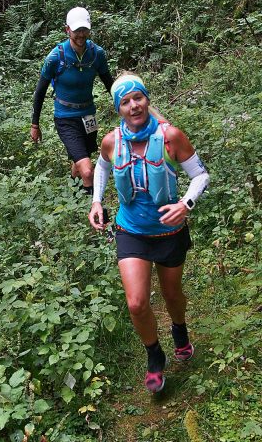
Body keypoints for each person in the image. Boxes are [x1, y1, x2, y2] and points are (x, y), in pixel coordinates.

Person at [88, 74, 210, 393]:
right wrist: (97, 201)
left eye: (138, 98)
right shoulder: (112, 141)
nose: (133, 106)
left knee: (172, 296)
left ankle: (180, 331)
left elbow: (200, 175)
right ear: (118, 108)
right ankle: (155, 357)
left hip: (169, 233)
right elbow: (101, 167)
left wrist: (186, 203)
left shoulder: (171, 137)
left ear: (147, 100)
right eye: (125, 102)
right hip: (131, 231)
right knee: (136, 303)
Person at [30, 7, 113, 195]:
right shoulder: (55, 57)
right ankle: (91, 207)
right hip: (65, 118)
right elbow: (40, 91)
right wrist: (35, 124)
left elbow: (109, 84)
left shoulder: (96, 54)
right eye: (77, 30)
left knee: (80, 161)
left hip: (88, 116)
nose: (81, 35)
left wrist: (125, 103)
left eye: (84, 30)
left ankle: (74, 196)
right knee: (87, 170)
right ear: (67, 30)